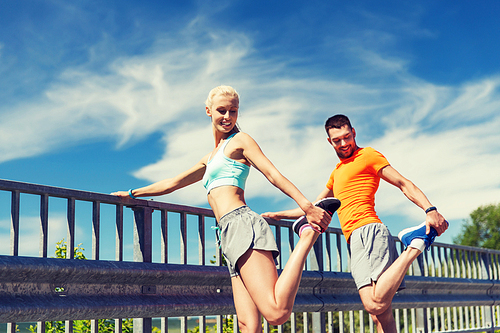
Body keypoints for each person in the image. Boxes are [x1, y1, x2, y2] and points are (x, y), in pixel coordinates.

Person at [112, 86, 338, 333]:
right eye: (222, 110)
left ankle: (307, 234)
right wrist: (133, 193)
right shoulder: (210, 158)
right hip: (227, 235)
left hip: (243, 225)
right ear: (208, 111)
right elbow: (173, 183)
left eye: (233, 111)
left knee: (276, 313)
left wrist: (306, 206)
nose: (228, 117)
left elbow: (272, 174)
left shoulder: (240, 141)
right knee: (247, 325)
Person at [263, 114, 448, 333]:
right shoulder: (337, 172)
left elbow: (402, 182)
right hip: (358, 237)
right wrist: (277, 215)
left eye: (346, 137)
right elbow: (314, 206)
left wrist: (430, 209)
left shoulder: (368, 155)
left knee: (374, 304)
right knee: (382, 314)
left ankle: (415, 245)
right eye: (337, 140)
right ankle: (415, 244)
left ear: (354, 133)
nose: (343, 143)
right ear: (329, 142)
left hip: (367, 231)